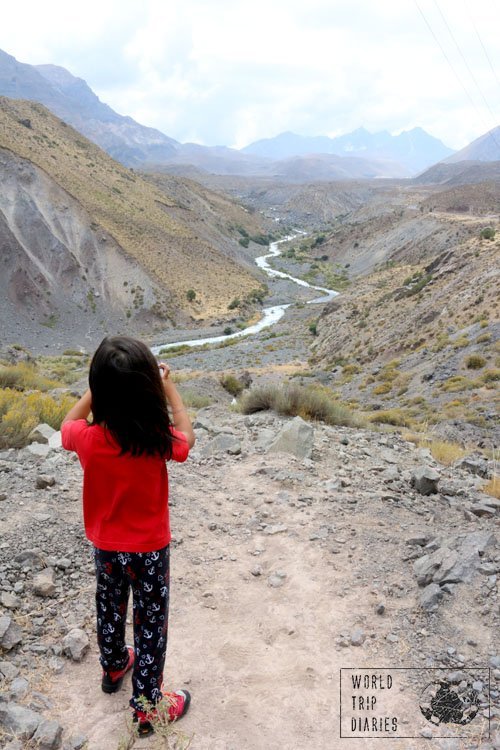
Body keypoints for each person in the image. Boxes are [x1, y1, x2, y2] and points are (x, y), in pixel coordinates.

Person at [61, 335, 195, 737]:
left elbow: (67, 423)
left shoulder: (88, 438)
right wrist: (168, 387)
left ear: (100, 389)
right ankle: (147, 708)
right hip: (150, 550)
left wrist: (97, 389)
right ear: (146, 390)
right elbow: (187, 440)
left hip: (105, 546)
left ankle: (114, 664)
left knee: (109, 604)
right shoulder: (156, 439)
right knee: (151, 622)